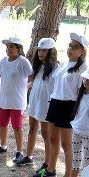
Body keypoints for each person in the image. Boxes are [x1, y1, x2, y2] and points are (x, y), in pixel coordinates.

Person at [37, 33, 88, 177]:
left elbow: (81, 93)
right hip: (55, 103)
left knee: (66, 144)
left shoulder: (82, 68)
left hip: (68, 106)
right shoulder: (64, 65)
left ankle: (67, 176)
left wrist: (76, 112)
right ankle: (51, 169)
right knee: (53, 139)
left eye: (75, 47)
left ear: (82, 51)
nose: (71, 49)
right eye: (70, 46)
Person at [22, 37, 60, 166]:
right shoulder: (38, 66)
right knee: (32, 128)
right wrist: (27, 86)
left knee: (46, 134)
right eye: (39, 50)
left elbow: (55, 86)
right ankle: (28, 156)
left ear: (51, 52)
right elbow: (36, 81)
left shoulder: (56, 68)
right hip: (34, 100)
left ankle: (48, 162)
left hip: (46, 104)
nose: (40, 53)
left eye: (44, 51)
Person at [0, 36, 32, 163]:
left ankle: (19, 152)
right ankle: (3, 146)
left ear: (18, 48)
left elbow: (32, 76)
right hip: (4, 99)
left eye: (11, 47)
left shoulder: (23, 62)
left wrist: (26, 87)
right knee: (3, 124)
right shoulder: (4, 61)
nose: (8, 49)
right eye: (7, 47)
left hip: (17, 101)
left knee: (17, 126)